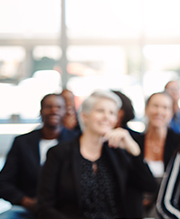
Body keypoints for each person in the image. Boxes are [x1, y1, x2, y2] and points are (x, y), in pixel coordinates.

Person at [37, 90, 156, 219]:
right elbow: (44, 207)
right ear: (84, 116)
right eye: (100, 111)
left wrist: (135, 152)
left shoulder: (119, 154)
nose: (106, 117)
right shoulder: (59, 153)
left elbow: (149, 186)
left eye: (112, 113)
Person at [0, 94, 77, 219]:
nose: (54, 110)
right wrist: (26, 201)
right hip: (28, 208)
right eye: (49, 107)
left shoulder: (76, 142)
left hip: (63, 211)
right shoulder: (22, 142)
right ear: (41, 111)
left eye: (59, 107)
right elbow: (2, 183)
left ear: (65, 111)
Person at [131, 92, 180, 218]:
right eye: (155, 106)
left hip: (169, 210)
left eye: (165, 107)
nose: (159, 111)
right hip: (139, 208)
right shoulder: (135, 141)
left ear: (171, 113)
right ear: (146, 109)